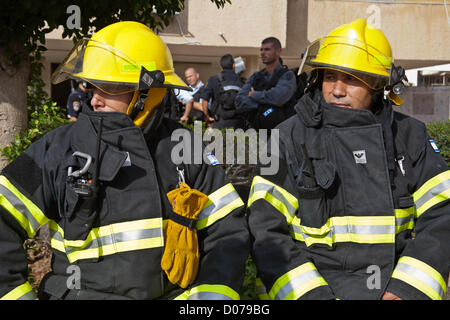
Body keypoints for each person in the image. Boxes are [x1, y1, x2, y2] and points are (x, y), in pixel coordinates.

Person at [0, 21, 249, 300]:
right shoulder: (58, 148)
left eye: (110, 87)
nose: (94, 99)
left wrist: (213, 296)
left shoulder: (185, 146)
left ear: (147, 92)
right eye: (94, 86)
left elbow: (227, 232)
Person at [247, 18, 450, 300]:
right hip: (315, 290)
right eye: (330, 76)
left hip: (393, 287)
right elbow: (267, 229)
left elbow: (443, 214)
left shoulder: (408, 135)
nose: (337, 90)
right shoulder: (288, 137)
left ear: (380, 84)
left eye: (352, 78)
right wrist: (310, 296)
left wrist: (408, 289)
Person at [235, 37, 297, 130]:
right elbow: (239, 101)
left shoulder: (287, 75)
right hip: (257, 131)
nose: (262, 53)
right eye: (261, 50)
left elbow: (278, 98)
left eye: (267, 49)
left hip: (280, 132)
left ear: (278, 52)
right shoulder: (256, 77)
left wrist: (254, 95)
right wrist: (265, 105)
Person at [200, 54, 245, 129]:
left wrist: (207, 116)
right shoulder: (242, 81)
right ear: (234, 66)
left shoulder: (214, 79)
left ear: (221, 67)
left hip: (220, 122)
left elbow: (205, 100)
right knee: (237, 141)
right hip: (238, 123)